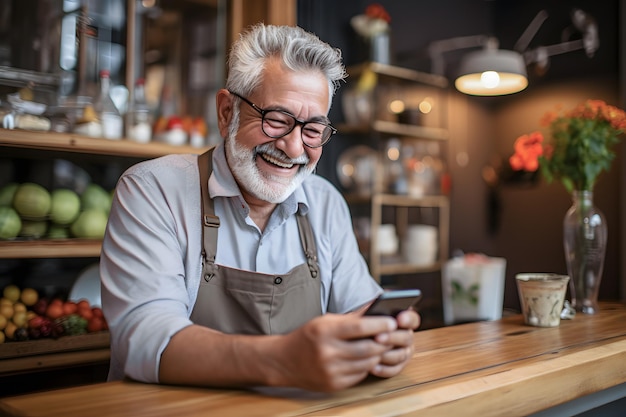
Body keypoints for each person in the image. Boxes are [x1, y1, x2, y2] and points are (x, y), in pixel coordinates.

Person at [100, 23, 420, 393]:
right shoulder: (152, 190)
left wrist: (383, 340)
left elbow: (359, 309)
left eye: (313, 130)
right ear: (226, 112)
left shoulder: (325, 201)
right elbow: (143, 341)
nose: (295, 148)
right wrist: (283, 358)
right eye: (278, 120)